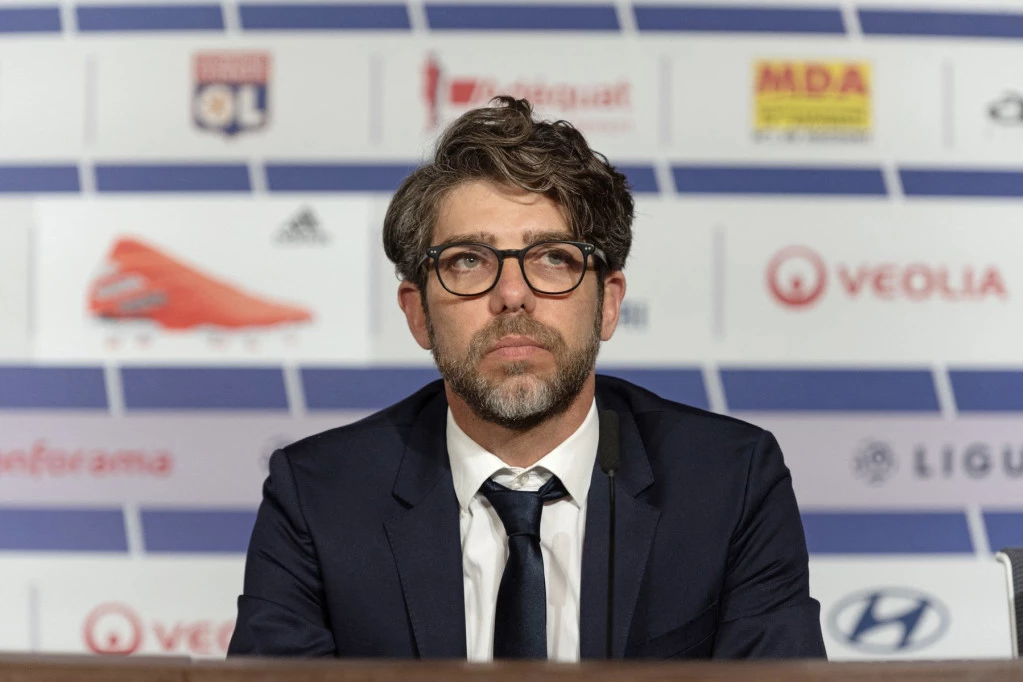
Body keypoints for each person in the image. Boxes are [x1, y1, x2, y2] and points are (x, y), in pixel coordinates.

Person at [228, 96, 826, 660]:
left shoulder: (728, 483)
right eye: (468, 260)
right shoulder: (319, 498)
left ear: (608, 303)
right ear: (418, 313)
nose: (512, 294)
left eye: (553, 257)